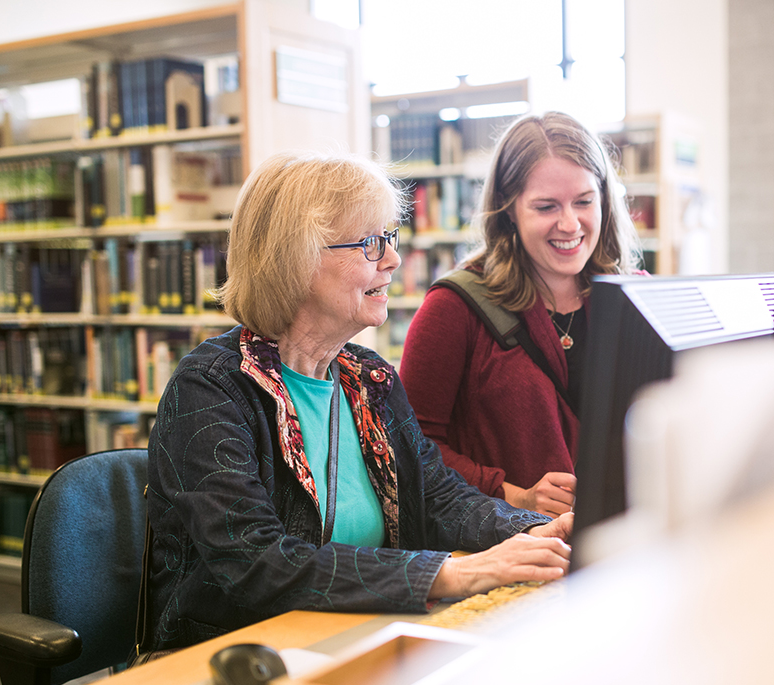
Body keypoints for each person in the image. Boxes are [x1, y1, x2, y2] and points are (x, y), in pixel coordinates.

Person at [144, 151, 572, 652]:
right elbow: (256, 562)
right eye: (370, 243)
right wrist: (451, 574)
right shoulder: (212, 387)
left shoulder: (369, 378)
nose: (392, 259)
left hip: (356, 635)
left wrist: (543, 530)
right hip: (236, 658)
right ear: (294, 257)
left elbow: (439, 500)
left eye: (389, 238)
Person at [399, 111, 642, 517]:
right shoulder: (453, 308)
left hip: (623, 540)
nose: (570, 224)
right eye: (546, 206)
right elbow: (410, 447)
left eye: (584, 201)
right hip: (509, 548)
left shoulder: (636, 297)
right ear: (508, 209)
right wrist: (512, 494)